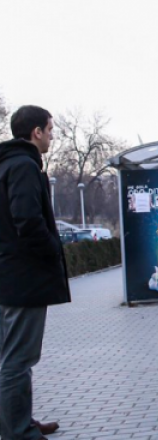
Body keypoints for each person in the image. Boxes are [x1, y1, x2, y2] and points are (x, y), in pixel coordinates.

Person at [0, 106, 70, 439]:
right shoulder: (23, 166)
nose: (52, 136)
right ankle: (16, 431)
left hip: (10, 277)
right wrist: (54, 248)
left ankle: (20, 423)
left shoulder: (7, 165)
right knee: (18, 359)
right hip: (23, 280)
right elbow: (27, 221)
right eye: (50, 130)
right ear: (36, 132)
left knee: (14, 358)